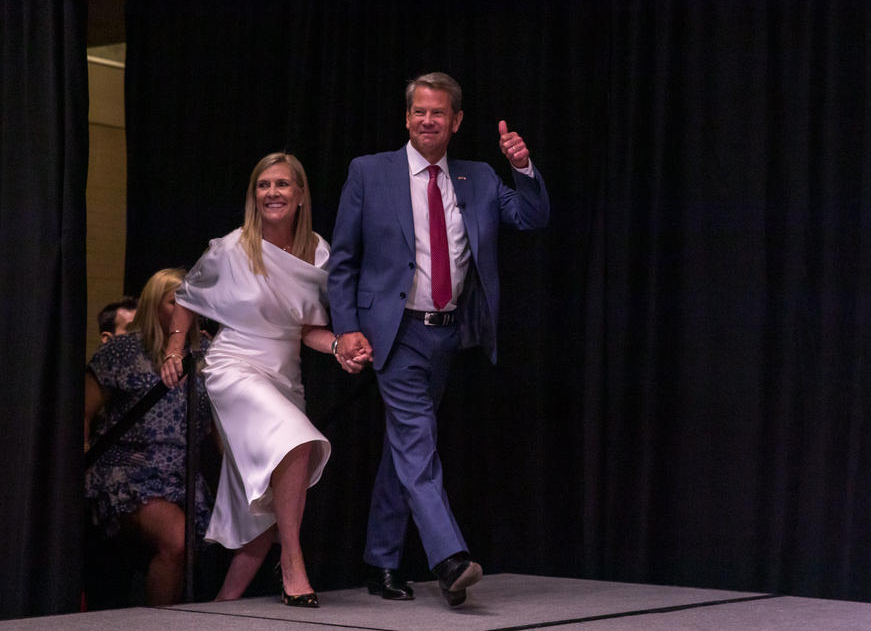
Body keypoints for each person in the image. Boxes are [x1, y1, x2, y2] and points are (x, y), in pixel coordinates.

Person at [327, 72, 550, 607]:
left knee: (404, 450)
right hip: (395, 333)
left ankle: (380, 561)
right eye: (419, 112)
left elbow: (532, 218)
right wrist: (346, 328)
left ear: (456, 121)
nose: (428, 120)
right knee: (418, 443)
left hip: (448, 337)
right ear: (406, 118)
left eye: (438, 113)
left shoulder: (476, 177)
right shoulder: (369, 172)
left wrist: (521, 168)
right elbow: (342, 262)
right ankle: (450, 560)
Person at [161, 152, 341, 607]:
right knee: (298, 441)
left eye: (282, 185)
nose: (272, 193)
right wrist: (174, 348)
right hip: (234, 366)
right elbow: (186, 296)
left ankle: (223, 608)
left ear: (300, 195)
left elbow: (307, 330)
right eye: (263, 185)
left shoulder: (321, 252)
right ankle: (294, 566)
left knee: (257, 507)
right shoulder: (232, 246)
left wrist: (340, 346)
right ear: (253, 195)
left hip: (286, 374)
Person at [84, 268, 213, 606]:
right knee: (177, 538)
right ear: (156, 305)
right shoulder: (124, 351)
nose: (189, 309)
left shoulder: (208, 354)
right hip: (128, 469)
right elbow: (81, 412)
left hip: (182, 475)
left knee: (188, 547)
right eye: (177, 301)